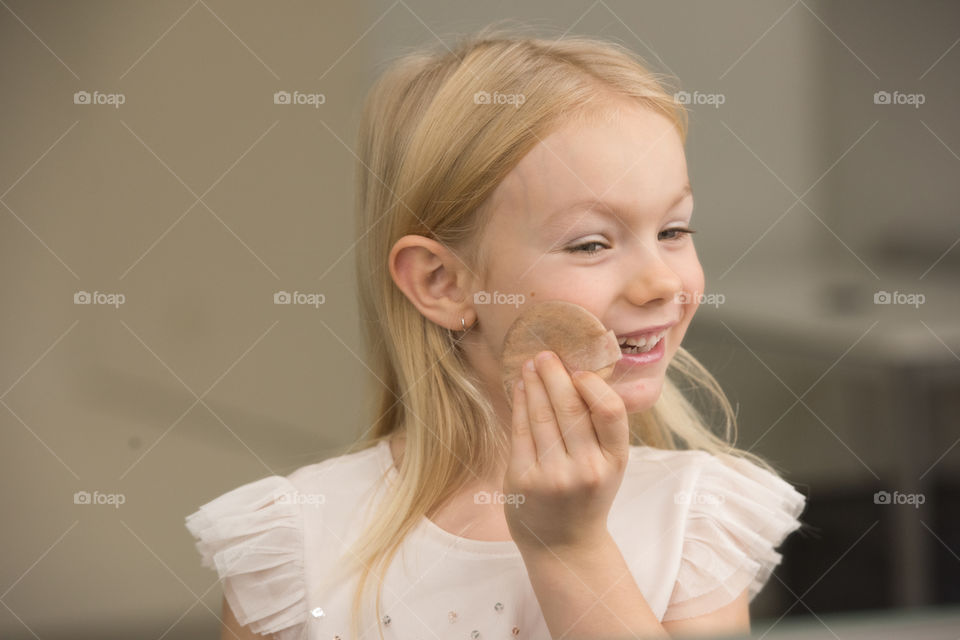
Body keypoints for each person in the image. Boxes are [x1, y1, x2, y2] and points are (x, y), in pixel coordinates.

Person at [185, 25, 808, 640]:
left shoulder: (694, 518)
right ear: (443, 283)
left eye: (673, 231)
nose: (661, 283)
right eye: (591, 244)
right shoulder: (297, 544)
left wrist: (570, 549)